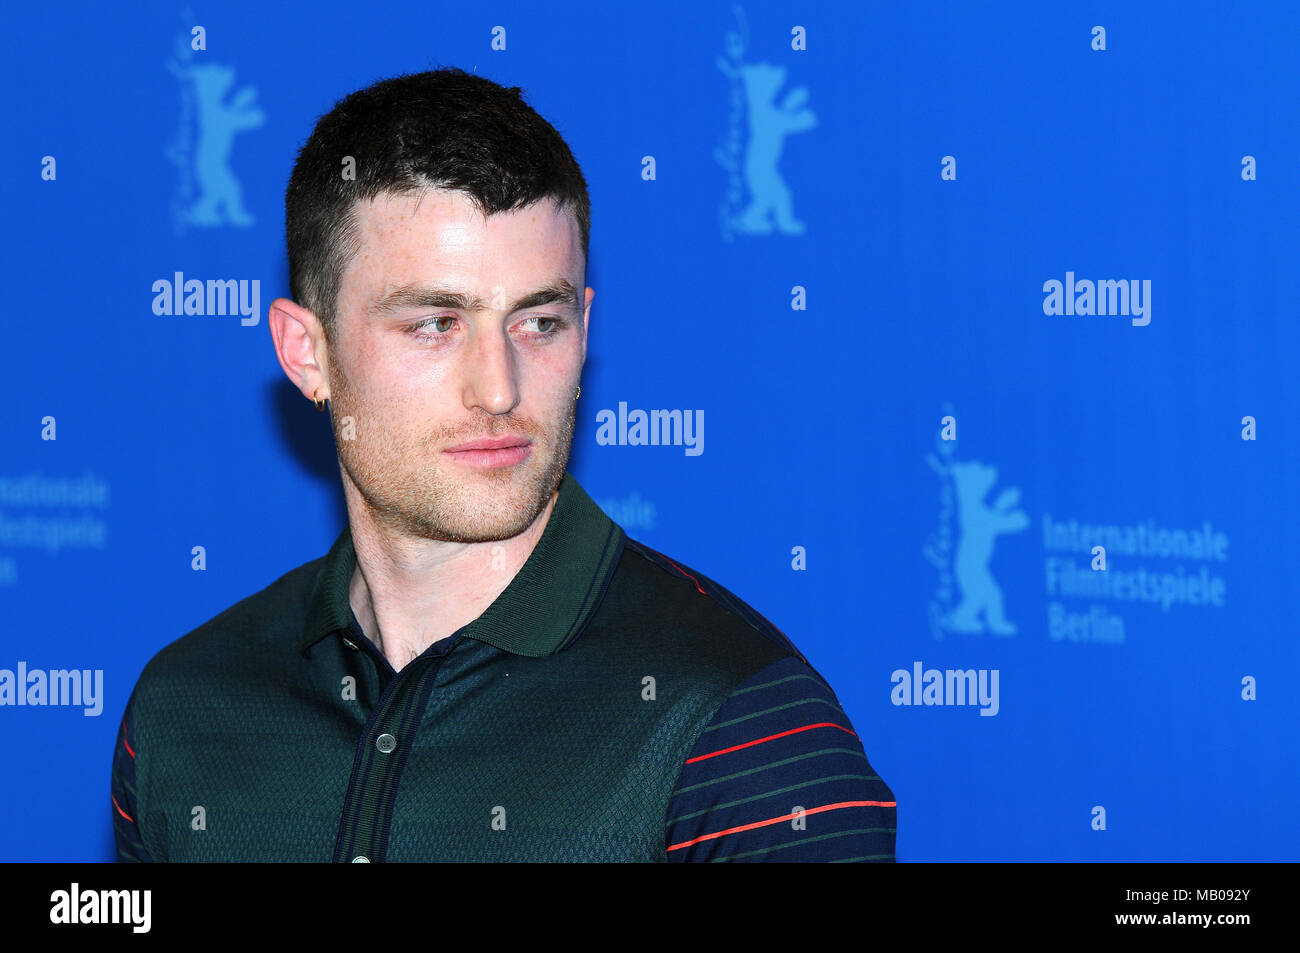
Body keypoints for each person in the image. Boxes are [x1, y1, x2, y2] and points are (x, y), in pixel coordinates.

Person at [111, 67, 897, 862]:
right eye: (435, 323)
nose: (499, 387)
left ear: (585, 328)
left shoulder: (745, 728)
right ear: (305, 353)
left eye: (539, 321)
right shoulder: (186, 710)